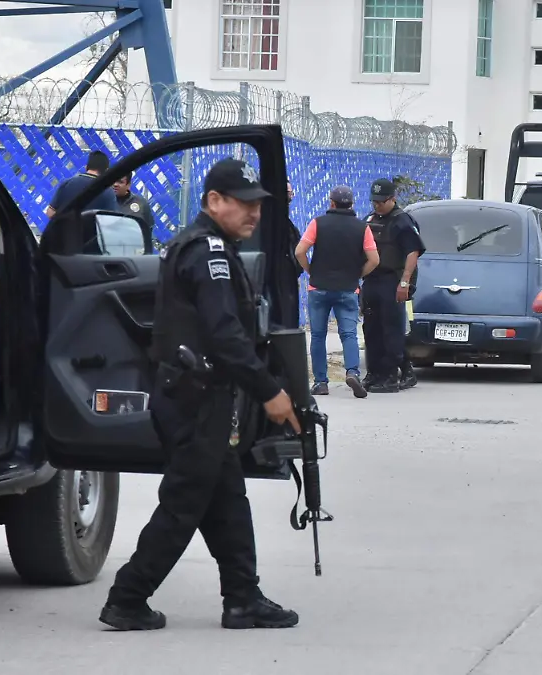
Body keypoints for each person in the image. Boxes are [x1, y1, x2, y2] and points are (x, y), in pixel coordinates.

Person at [99, 158, 302, 632]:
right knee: (184, 504)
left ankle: (243, 598)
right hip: (196, 400)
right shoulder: (208, 253)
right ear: (214, 201)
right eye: (245, 204)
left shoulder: (196, 246)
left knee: (227, 498)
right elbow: (225, 335)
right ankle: (127, 598)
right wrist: (269, 390)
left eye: (258, 205)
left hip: (196, 397)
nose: (254, 214)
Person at [294, 185, 378, 399]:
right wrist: (358, 274)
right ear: (351, 204)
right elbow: (374, 260)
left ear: (331, 203)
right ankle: (352, 372)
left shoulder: (318, 224)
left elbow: (300, 251)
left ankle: (321, 382)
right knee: (349, 334)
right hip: (347, 288)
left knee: (319, 335)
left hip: (318, 287)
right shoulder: (362, 228)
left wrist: (310, 269)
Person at [360, 178, 425, 394]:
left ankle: (390, 375)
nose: (377, 205)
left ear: (393, 199)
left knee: (391, 329)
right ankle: (376, 372)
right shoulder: (369, 219)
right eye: (374, 201)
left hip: (392, 280)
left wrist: (405, 282)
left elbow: (412, 252)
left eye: (381, 201)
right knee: (371, 328)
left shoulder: (402, 221)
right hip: (371, 280)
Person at [45, 149, 118, 219]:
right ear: (106, 171)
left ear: (86, 167)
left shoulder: (67, 184)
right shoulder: (107, 191)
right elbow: (111, 220)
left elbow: (50, 213)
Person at [113, 170, 156, 252]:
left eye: (120, 182)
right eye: (113, 181)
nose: (115, 184)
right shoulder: (105, 201)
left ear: (128, 185)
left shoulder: (140, 203)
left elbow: (148, 230)